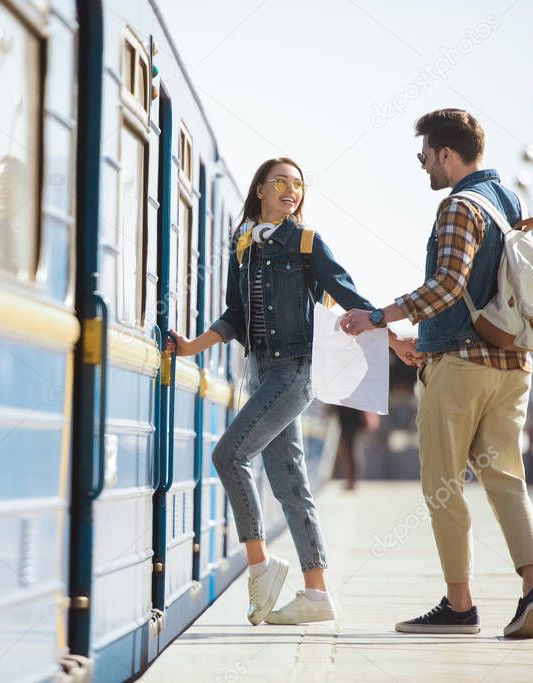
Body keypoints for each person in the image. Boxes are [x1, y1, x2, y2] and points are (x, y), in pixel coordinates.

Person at [168, 157, 420, 626]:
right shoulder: (242, 245)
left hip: (297, 372)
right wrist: (191, 348)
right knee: (291, 485)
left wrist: (394, 339)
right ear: (260, 189)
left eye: (298, 185)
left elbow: (350, 296)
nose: (291, 191)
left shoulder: (307, 242)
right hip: (263, 372)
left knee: (229, 456)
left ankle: (261, 566)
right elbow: (234, 315)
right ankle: (317, 594)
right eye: (281, 182)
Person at [339, 109, 533, 639]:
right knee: (506, 479)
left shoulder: (457, 205)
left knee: (442, 485)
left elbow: (448, 286)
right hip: (511, 365)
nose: (424, 166)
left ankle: (460, 606)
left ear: (446, 154)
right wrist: (421, 342)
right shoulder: (508, 202)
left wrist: (380, 316)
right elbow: (482, 290)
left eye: (425, 156)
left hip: (462, 368)